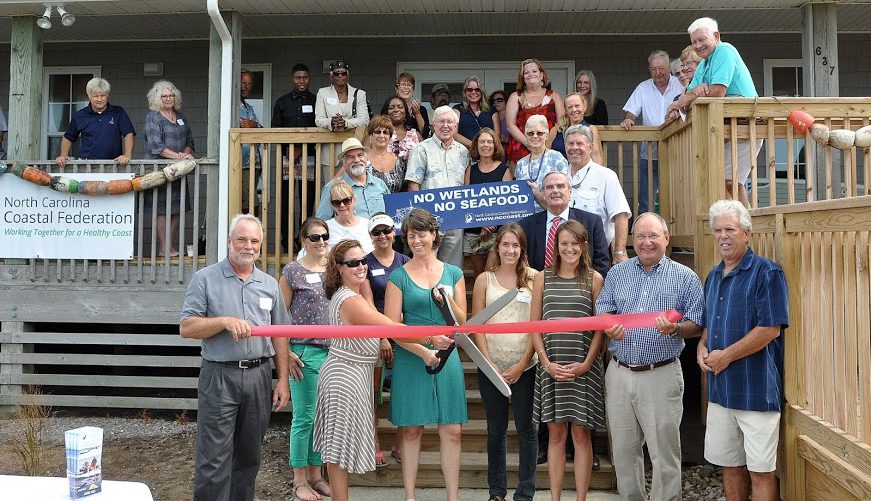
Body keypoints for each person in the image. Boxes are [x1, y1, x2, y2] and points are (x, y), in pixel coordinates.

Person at [180, 214, 291, 501]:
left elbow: (280, 334)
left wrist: (282, 380)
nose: (248, 246)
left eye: (254, 241)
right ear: (229, 241)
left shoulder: (269, 284)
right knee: (213, 459)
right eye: (242, 239)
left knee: (249, 457)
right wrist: (223, 322)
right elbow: (187, 327)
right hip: (220, 375)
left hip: (259, 376)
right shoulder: (205, 279)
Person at [595, 212, 704, 501]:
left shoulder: (685, 277)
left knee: (663, 453)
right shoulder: (617, 273)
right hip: (619, 372)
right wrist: (609, 327)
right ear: (633, 240)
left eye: (653, 235)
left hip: (661, 373)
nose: (646, 242)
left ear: (666, 238)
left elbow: (697, 323)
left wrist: (676, 329)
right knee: (623, 452)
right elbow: (603, 310)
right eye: (641, 236)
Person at [698, 200, 788, 501]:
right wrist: (701, 346)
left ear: (747, 233)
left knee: (761, 472)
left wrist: (725, 356)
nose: (723, 236)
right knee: (730, 465)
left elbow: (770, 329)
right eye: (717, 230)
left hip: (756, 392)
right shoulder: (713, 276)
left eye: (730, 230)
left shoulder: (767, 273)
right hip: (721, 392)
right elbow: (710, 325)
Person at [384, 208, 468, 501]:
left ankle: (453, 497)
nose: (416, 240)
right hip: (412, 355)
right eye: (411, 235)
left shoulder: (454, 273)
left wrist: (448, 299)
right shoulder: (398, 277)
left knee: (453, 430)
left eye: (421, 234)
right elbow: (392, 328)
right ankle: (410, 496)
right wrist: (423, 349)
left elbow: (461, 322)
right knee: (411, 430)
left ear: (434, 235)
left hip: (448, 355)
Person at [312, 239, 403, 501]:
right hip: (346, 376)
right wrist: (432, 338)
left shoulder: (355, 294)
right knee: (338, 449)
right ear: (339, 267)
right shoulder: (350, 300)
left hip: (353, 374)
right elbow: (391, 327)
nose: (361, 266)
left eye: (363, 260)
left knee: (339, 448)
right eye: (353, 263)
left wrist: (425, 349)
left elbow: (387, 328)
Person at [531, 219, 605, 501]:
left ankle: (581, 498)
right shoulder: (542, 278)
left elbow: (600, 329)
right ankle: (555, 498)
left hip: (584, 368)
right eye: (564, 243)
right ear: (556, 246)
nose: (569, 248)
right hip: (551, 368)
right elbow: (534, 326)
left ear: (584, 245)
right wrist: (546, 363)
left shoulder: (594, 279)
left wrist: (587, 363)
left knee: (582, 435)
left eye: (575, 243)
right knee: (555, 435)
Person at [471, 224, 538, 501]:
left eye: (515, 245)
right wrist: (489, 363)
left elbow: (537, 325)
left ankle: (525, 492)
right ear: (497, 247)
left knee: (526, 430)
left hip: (526, 366)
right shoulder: (484, 280)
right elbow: (477, 325)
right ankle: (497, 491)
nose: (510, 250)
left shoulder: (534, 278)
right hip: (491, 368)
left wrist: (523, 362)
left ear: (522, 248)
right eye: (505, 244)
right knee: (495, 430)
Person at [666, 17, 763, 208]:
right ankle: (743, 224)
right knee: (729, 183)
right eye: (694, 42)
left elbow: (718, 91)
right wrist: (693, 94)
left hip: (744, 126)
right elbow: (684, 101)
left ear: (716, 36)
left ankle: (741, 224)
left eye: (702, 39)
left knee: (729, 183)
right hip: (725, 129)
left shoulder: (725, 51)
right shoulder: (703, 65)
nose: (698, 45)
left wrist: (694, 95)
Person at [278, 217, 332, 501]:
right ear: (303, 240)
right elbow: (278, 316)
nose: (321, 241)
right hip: (304, 352)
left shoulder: (335, 268)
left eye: (324, 236)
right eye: (314, 237)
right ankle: (299, 479)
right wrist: (286, 353)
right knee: (304, 417)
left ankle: (316, 475)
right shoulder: (292, 272)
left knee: (322, 417)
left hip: (332, 352)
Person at [364, 213, 411, 467]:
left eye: (386, 230)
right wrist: (382, 335)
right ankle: (374, 443)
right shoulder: (365, 262)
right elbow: (368, 302)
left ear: (394, 232)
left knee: (405, 389)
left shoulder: (406, 261)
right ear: (370, 236)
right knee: (372, 393)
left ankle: (401, 442)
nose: (382, 235)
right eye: (377, 232)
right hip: (375, 333)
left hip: (403, 332)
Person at [405, 106, 469, 269]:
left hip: (455, 218)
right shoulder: (421, 149)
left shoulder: (463, 152)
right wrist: (419, 221)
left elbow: (466, 186)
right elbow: (413, 186)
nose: (445, 126)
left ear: (455, 126)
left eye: (450, 122)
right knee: (426, 265)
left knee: (452, 268)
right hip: (428, 219)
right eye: (441, 121)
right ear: (433, 125)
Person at [621, 50, 684, 215]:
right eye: (653, 69)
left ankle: (673, 228)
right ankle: (646, 227)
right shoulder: (643, 88)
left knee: (677, 196)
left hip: (676, 151)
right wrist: (629, 119)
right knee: (646, 199)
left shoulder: (680, 84)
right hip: (649, 153)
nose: (658, 73)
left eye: (661, 68)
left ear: (669, 67)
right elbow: (631, 112)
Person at [512, 171, 610, 277]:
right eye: (549, 187)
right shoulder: (526, 225)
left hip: (581, 284)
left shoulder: (592, 222)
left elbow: (602, 263)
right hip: (538, 284)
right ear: (543, 194)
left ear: (570, 192)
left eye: (560, 186)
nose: (555, 190)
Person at [564, 124, 631, 263]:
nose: (574, 148)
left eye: (579, 143)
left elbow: (621, 215)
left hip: (596, 255)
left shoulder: (606, 176)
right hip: (564, 253)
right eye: (570, 143)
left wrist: (619, 252)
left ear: (590, 147)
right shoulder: (560, 177)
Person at [144, 80, 195, 257]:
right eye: (164, 96)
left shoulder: (181, 117)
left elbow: (190, 142)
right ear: (157, 98)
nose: (168, 99)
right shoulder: (153, 117)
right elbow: (156, 146)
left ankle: (169, 246)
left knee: (178, 208)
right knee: (162, 210)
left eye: (171, 95)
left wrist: (185, 155)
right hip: (160, 171)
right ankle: (164, 248)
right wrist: (179, 157)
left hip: (179, 170)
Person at [272, 63, 318, 251]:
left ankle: (304, 239)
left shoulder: (316, 100)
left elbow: (319, 128)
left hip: (310, 156)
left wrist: (301, 148)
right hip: (287, 157)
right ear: (292, 78)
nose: (302, 81)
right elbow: (275, 130)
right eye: (298, 77)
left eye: (305, 77)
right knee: (286, 199)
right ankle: (287, 241)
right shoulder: (282, 102)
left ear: (309, 78)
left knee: (307, 199)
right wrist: (291, 149)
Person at [55, 77, 135, 167]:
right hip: (86, 165)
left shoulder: (118, 112)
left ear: (107, 95)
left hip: (113, 164)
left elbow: (129, 134)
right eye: (96, 96)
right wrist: (63, 155)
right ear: (89, 96)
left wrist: (127, 155)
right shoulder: (80, 115)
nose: (99, 99)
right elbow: (68, 137)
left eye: (103, 95)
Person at [464, 128, 511, 277]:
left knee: (490, 274)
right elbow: (466, 201)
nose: (486, 145)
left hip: (497, 232)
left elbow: (508, 203)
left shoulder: (504, 170)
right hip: (474, 231)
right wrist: (480, 222)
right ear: (476, 145)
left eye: (489, 142)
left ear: (495, 145)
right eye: (482, 142)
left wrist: (491, 221)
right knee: (479, 276)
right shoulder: (470, 170)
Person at [505, 59, 565, 165]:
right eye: (526, 72)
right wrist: (529, 144)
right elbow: (510, 125)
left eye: (534, 71)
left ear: (541, 75)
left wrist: (547, 142)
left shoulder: (554, 96)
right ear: (523, 78)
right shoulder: (515, 97)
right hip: (520, 149)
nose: (530, 74)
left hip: (548, 147)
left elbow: (561, 122)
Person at [315, 138, 389, 220]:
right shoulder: (332, 188)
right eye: (350, 157)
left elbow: (392, 212)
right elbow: (322, 221)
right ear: (344, 162)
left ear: (366, 158)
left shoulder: (380, 184)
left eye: (360, 155)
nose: (356, 160)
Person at [514, 114, 569, 210]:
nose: (535, 136)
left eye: (539, 133)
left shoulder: (556, 158)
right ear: (525, 136)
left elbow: (565, 190)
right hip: (527, 215)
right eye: (530, 133)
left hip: (553, 213)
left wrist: (538, 195)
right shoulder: (521, 164)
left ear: (546, 136)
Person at [315, 60, 370, 132]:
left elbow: (365, 120)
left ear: (348, 76)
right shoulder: (322, 93)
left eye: (343, 73)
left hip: (353, 137)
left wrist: (346, 123)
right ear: (331, 77)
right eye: (336, 74)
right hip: (330, 137)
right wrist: (331, 122)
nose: (340, 76)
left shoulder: (360, 94)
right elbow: (319, 120)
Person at [322, 180, 374, 255]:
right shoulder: (326, 228)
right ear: (332, 205)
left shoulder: (367, 224)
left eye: (346, 201)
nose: (342, 205)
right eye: (336, 202)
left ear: (354, 200)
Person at [552, 93, 603, 164]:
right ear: (566, 110)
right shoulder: (558, 128)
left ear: (584, 107)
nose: (574, 110)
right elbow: (546, 153)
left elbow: (596, 157)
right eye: (570, 107)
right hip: (558, 168)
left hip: (582, 169)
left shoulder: (591, 129)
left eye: (577, 106)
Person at [453, 76, 500, 149]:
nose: (473, 92)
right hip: (463, 152)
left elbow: (497, 136)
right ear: (465, 92)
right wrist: (475, 146)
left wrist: (483, 147)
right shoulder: (457, 109)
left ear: (482, 92)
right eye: (469, 90)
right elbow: (454, 134)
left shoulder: (492, 110)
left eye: (477, 89)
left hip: (486, 151)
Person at [364, 116, 407, 194]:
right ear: (370, 135)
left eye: (385, 132)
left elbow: (406, 191)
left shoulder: (400, 162)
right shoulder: (361, 160)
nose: (381, 136)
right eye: (378, 132)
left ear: (390, 137)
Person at [239, 70, 262, 214]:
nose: (246, 86)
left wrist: (254, 125)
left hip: (254, 163)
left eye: (249, 83)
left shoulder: (249, 108)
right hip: (241, 163)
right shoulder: (231, 106)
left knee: (249, 202)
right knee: (249, 205)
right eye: (243, 83)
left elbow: (261, 130)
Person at [380, 96, 421, 162]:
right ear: (386, 112)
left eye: (400, 107)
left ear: (406, 111)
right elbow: (364, 155)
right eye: (391, 108)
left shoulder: (416, 135)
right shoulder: (377, 133)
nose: (396, 110)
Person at [394, 72, 430, 138]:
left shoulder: (421, 110)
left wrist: (417, 114)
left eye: (409, 85)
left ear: (413, 89)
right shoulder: (391, 108)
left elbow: (426, 134)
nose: (406, 88)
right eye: (403, 85)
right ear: (396, 88)